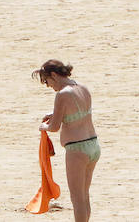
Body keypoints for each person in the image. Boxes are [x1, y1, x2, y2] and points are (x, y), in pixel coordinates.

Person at [36, 60, 98, 222]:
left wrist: (44, 126)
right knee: (84, 196)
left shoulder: (62, 94)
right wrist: (54, 113)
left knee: (77, 199)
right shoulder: (82, 87)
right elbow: (78, 112)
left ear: (54, 75)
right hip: (93, 144)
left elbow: (54, 127)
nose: (49, 86)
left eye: (47, 81)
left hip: (77, 149)